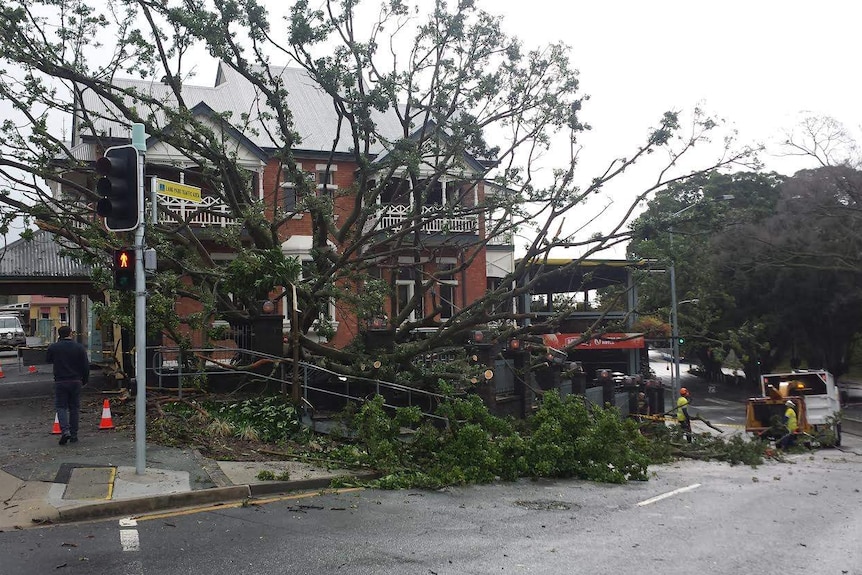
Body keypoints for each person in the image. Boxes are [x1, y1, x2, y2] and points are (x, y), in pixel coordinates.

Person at [46, 326, 89, 445]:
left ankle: (65, 431)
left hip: (60, 381)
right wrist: (85, 380)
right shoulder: (79, 347)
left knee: (61, 407)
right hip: (76, 381)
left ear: (59, 334)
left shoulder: (54, 347)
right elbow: (85, 365)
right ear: (70, 333)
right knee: (74, 408)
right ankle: (74, 434)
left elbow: (48, 360)